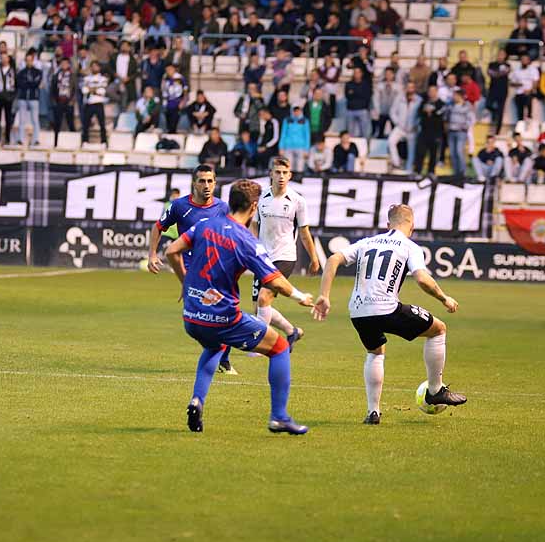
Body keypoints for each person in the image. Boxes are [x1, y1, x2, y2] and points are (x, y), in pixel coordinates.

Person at [165, 176, 315, 435]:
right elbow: (275, 281)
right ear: (254, 207)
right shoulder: (246, 241)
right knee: (279, 348)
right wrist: (300, 296)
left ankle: (197, 400)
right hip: (224, 317)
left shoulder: (204, 225)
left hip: (191, 316)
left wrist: (185, 282)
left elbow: (171, 250)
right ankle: (279, 416)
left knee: (214, 345)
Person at [311, 203, 467, 425]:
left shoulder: (367, 242)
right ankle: (435, 390)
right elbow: (422, 279)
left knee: (375, 352)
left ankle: (373, 412)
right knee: (438, 330)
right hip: (386, 308)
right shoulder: (409, 246)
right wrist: (444, 298)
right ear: (412, 226)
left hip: (358, 311)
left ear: (387, 224)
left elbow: (334, 259)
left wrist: (324, 295)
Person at [148, 164, 238, 376]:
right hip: (190, 267)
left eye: (210, 181)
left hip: (216, 267)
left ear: (215, 183)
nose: (206, 185)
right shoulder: (179, 206)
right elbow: (158, 227)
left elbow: (231, 234)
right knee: (211, 313)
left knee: (224, 312)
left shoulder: (223, 208)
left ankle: (221, 358)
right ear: (193, 183)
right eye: (202, 181)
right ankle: (219, 357)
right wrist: (152, 254)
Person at [252, 157, 321, 347]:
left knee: (264, 298)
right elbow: (254, 225)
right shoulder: (261, 198)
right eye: (277, 172)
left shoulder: (298, 201)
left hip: (285, 256)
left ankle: (261, 346)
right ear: (271, 174)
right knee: (259, 306)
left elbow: (304, 232)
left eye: (285, 173)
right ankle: (292, 332)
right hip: (261, 257)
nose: (281, 176)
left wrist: (314, 258)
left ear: (290, 175)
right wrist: (251, 249)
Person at [279, 106, 310, 172]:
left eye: (298, 111)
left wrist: (306, 149)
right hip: (288, 146)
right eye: (295, 111)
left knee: (300, 166)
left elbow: (307, 135)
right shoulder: (287, 120)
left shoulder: (304, 121)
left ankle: (299, 180)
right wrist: (281, 147)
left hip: (301, 146)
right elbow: (283, 134)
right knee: (288, 166)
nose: (296, 113)